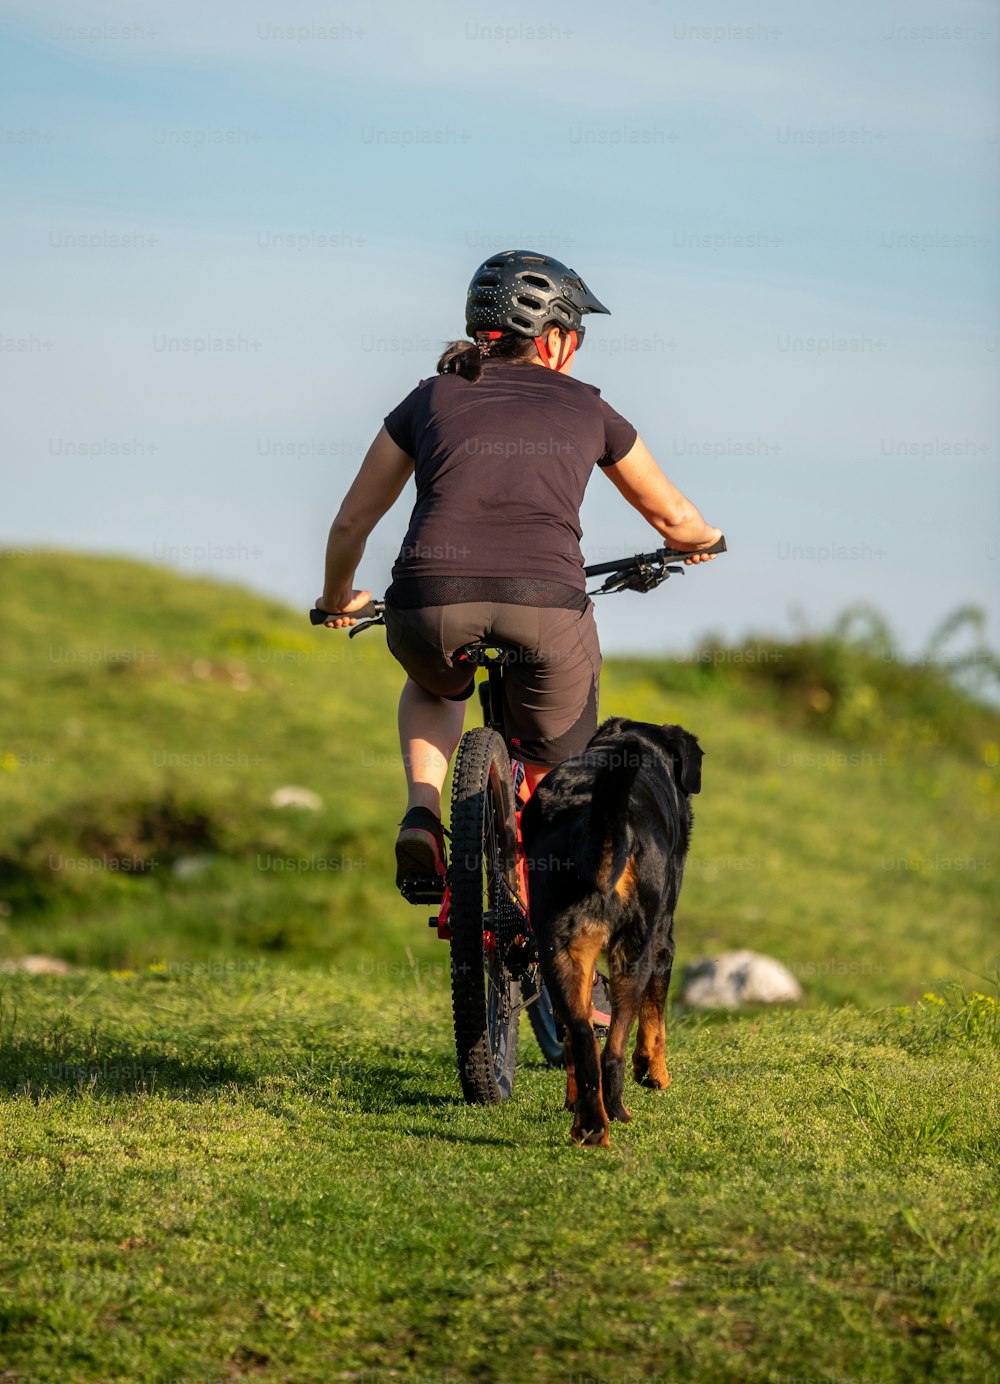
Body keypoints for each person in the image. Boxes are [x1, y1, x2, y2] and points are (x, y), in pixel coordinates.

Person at [317, 249, 721, 900]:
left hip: (429, 602)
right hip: (546, 606)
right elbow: (674, 517)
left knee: (435, 685)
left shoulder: (428, 397)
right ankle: (556, 922)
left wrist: (340, 598)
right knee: (564, 773)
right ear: (556, 337)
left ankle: (423, 810)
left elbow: (348, 524)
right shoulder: (589, 408)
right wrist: (703, 541)